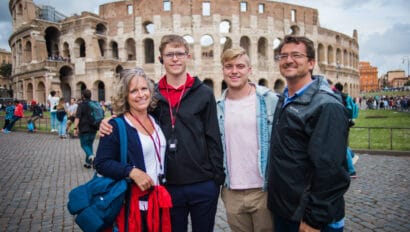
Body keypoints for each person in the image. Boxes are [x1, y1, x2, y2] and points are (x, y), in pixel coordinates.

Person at [100, 34, 225, 232]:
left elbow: (213, 136)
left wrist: (216, 179)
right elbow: (133, 114)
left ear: (188, 56)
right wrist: (108, 120)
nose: (175, 58)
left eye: (179, 53)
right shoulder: (153, 95)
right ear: (161, 59)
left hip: (203, 183)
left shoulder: (204, 93)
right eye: (169, 54)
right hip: (169, 185)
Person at [267, 35, 350, 232]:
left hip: (311, 218)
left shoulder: (326, 106)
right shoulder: (285, 98)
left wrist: (314, 219)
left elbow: (331, 171)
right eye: (283, 56)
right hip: (287, 211)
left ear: (311, 63)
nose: (288, 60)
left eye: (297, 55)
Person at [94, 68, 171, 231]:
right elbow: (101, 163)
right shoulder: (116, 125)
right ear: (125, 96)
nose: (141, 94)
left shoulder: (155, 119)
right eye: (133, 91)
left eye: (144, 89)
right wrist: (132, 172)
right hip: (134, 206)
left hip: (159, 201)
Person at [216, 47, 278, 232]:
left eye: (240, 66)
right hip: (232, 189)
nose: (234, 71)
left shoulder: (270, 101)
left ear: (249, 70)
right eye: (229, 66)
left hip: (263, 189)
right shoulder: (217, 107)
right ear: (223, 70)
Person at [333, 82, 359, 178]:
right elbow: (354, 108)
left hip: (340, 123)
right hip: (345, 122)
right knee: (344, 144)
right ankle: (352, 156)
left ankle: (351, 171)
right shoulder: (346, 97)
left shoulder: (336, 96)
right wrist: (352, 118)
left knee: (342, 145)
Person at [73, 89, 98, 169]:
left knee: (84, 144)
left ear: (82, 96)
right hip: (94, 128)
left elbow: (77, 118)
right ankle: (88, 163)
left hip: (84, 128)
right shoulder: (94, 104)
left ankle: (92, 157)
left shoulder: (81, 105)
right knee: (89, 145)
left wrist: (75, 128)